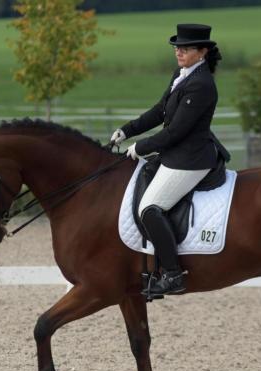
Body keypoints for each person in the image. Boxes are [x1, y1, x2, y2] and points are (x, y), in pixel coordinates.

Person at [110, 23, 227, 296]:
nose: (179, 52)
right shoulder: (182, 75)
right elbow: (161, 110)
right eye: (177, 47)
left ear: (202, 52)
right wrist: (127, 130)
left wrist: (141, 147)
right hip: (176, 154)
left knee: (150, 208)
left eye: (185, 48)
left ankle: (173, 274)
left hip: (192, 159)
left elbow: (176, 131)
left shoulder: (202, 85)